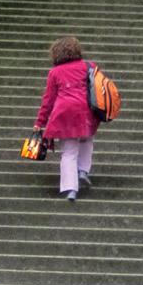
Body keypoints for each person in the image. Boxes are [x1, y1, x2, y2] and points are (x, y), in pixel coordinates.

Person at [31, 36, 99, 201]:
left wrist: (40, 122)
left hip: (64, 113)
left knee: (68, 152)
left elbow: (48, 100)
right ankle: (82, 171)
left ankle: (70, 189)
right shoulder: (89, 66)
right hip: (86, 111)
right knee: (86, 140)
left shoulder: (55, 73)